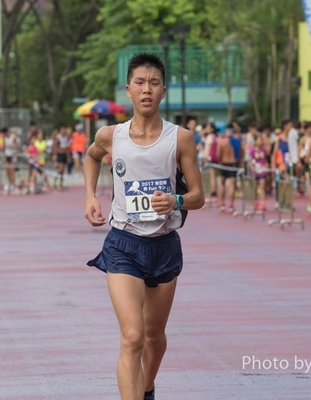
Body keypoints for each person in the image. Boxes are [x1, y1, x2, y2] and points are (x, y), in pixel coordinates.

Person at [84, 53, 204, 400]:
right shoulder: (110, 135)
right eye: (140, 83)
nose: (146, 89)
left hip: (164, 246)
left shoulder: (180, 138)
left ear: (163, 91)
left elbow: (198, 196)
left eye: (153, 83)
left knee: (154, 336)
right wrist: (90, 196)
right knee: (132, 337)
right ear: (128, 90)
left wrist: (176, 201)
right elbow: (92, 156)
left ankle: (147, 386)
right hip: (123, 244)